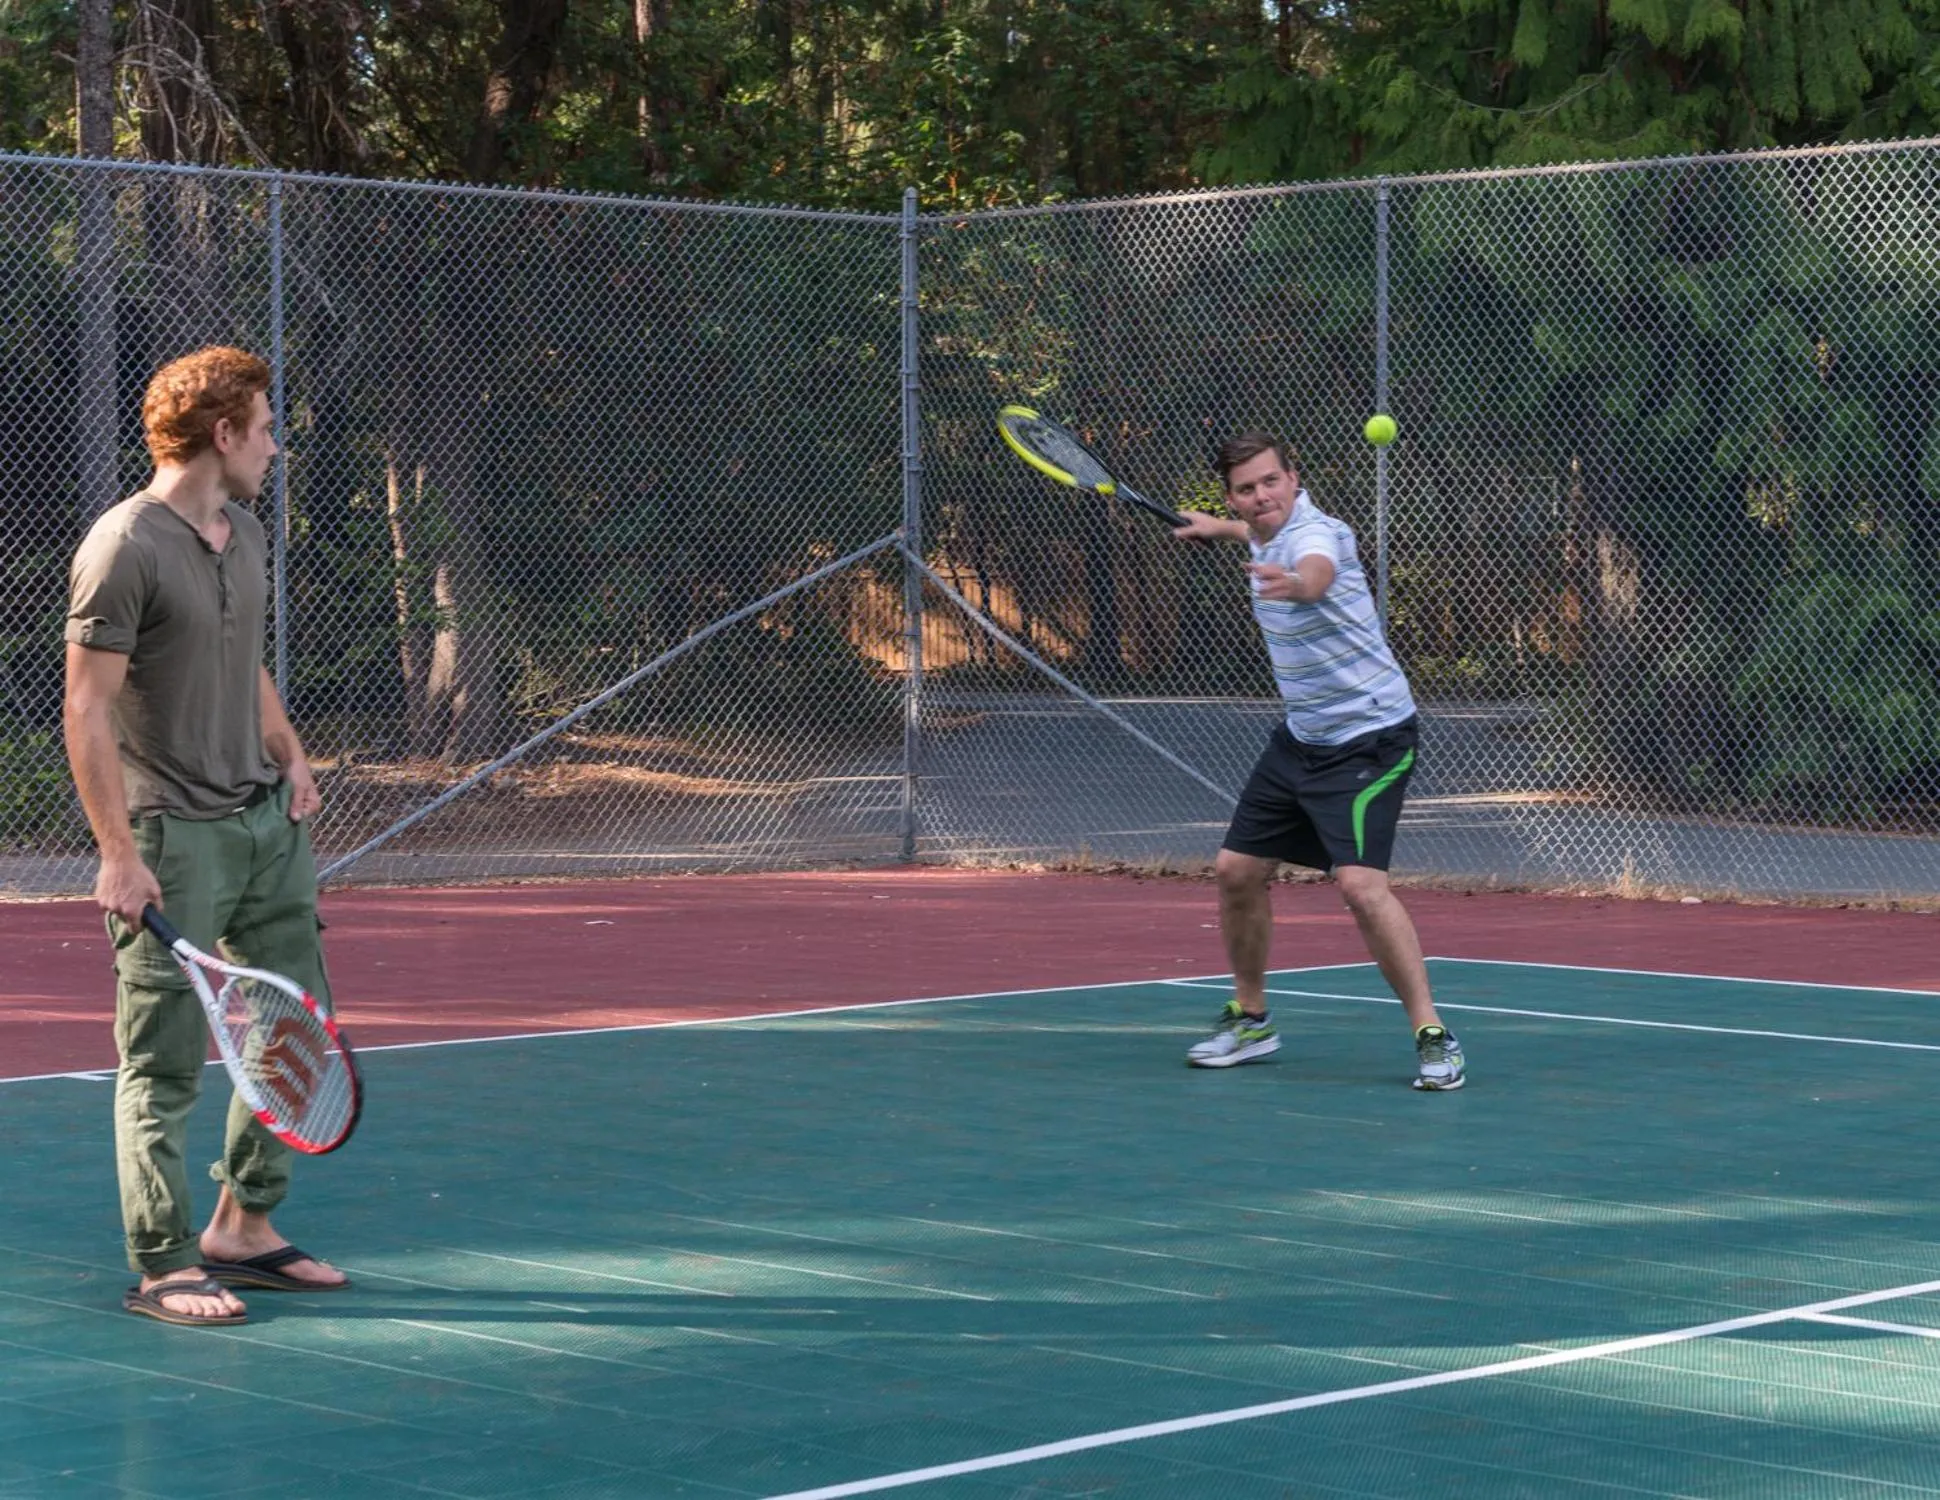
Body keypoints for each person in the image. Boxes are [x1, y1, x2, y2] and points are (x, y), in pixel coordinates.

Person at [64, 346, 351, 1326]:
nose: (276, 446)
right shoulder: (124, 546)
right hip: (170, 836)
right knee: (165, 1062)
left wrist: (288, 749)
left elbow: (240, 655)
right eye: (266, 429)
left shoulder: (248, 532)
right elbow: (87, 710)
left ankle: (244, 1227)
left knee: (293, 1024)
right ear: (222, 435)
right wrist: (117, 853)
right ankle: (164, 1263)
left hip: (265, 824)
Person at [1172, 432, 1465, 1090]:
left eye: (1271, 482)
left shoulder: (1321, 535)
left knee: (1361, 888)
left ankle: (1432, 1035)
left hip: (1372, 738)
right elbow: (1255, 533)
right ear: (1232, 497)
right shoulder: (1255, 529)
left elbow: (1314, 573)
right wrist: (1217, 528)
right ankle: (1251, 1020)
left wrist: (1297, 585)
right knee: (1235, 871)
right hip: (1301, 739)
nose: (1262, 496)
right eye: (1246, 490)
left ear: (1293, 479)